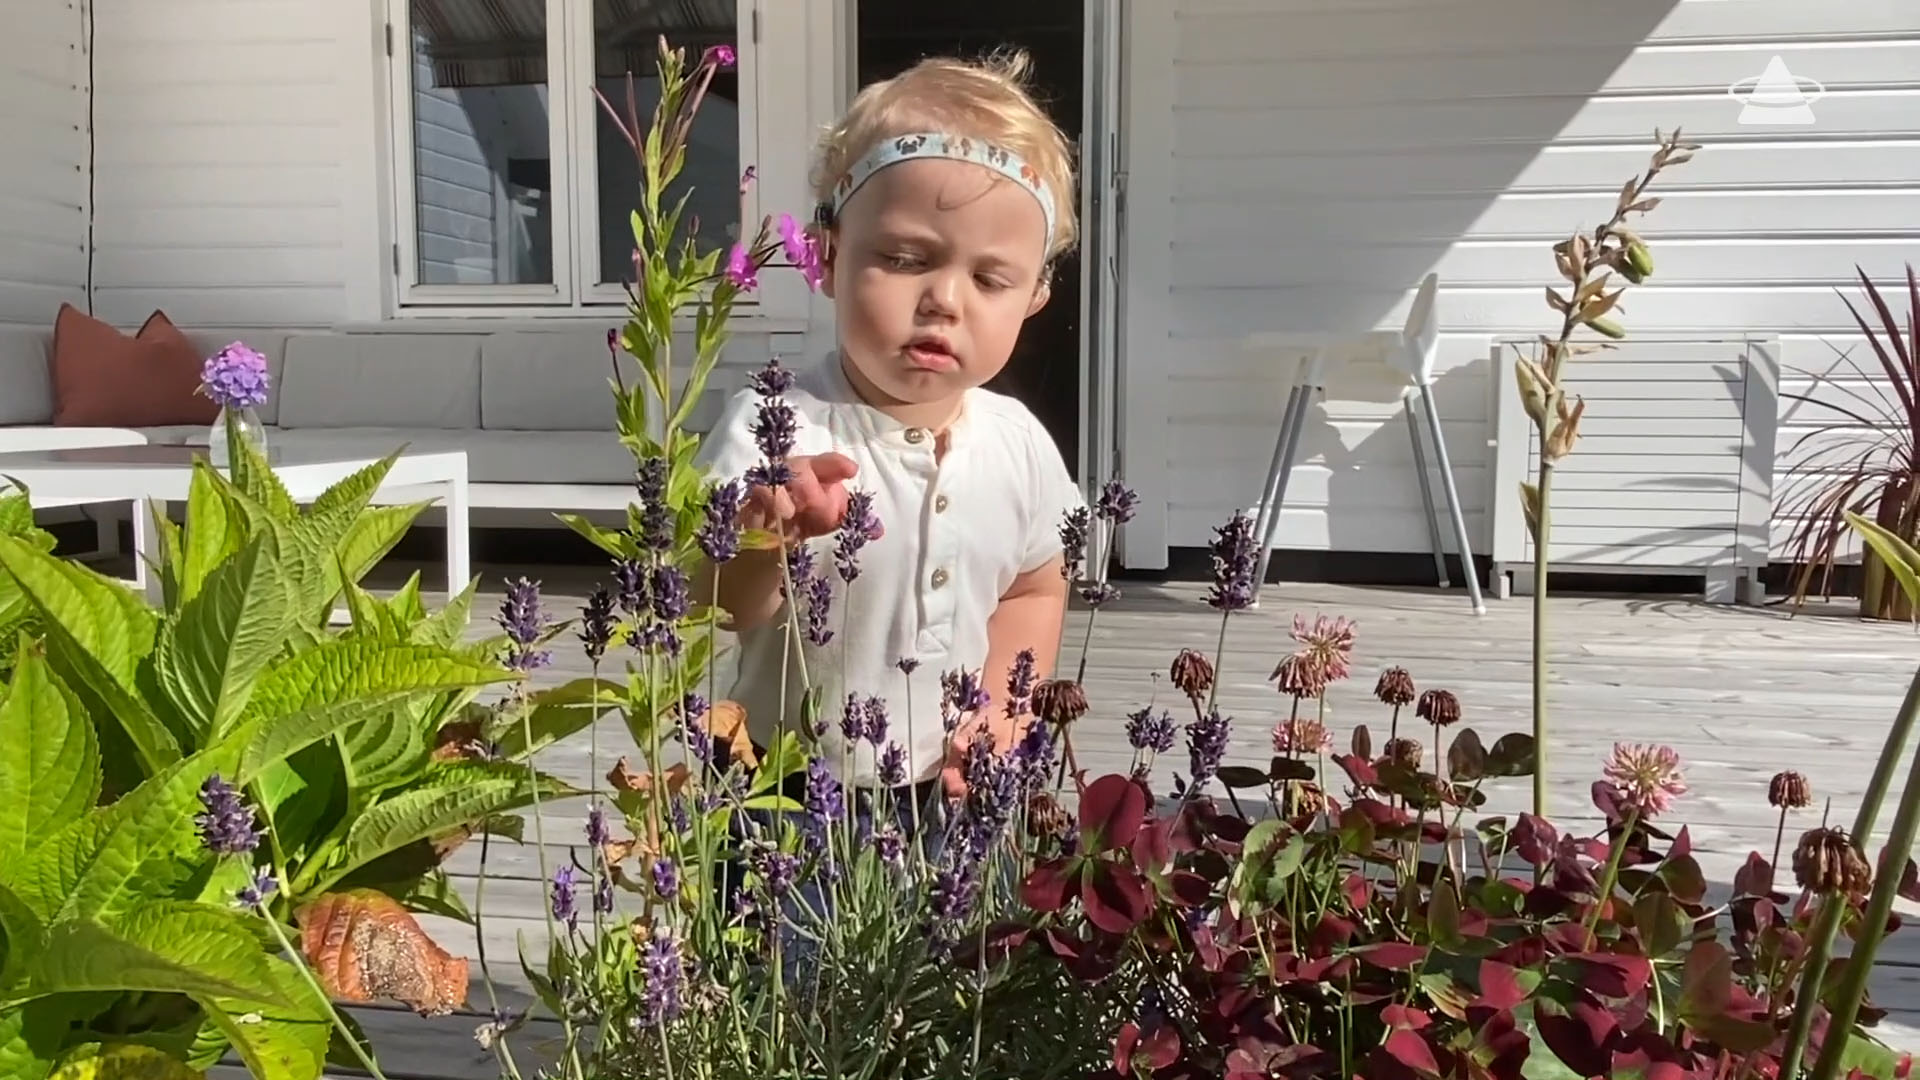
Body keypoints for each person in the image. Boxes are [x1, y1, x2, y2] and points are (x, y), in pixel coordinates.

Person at [694, 49, 1085, 811]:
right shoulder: (778, 429)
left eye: (990, 279)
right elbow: (710, 605)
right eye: (906, 258)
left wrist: (1006, 711)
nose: (944, 298)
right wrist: (761, 538)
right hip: (782, 785)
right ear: (828, 258)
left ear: (1034, 296)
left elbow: (1035, 584)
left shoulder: (1019, 444)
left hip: (952, 788)